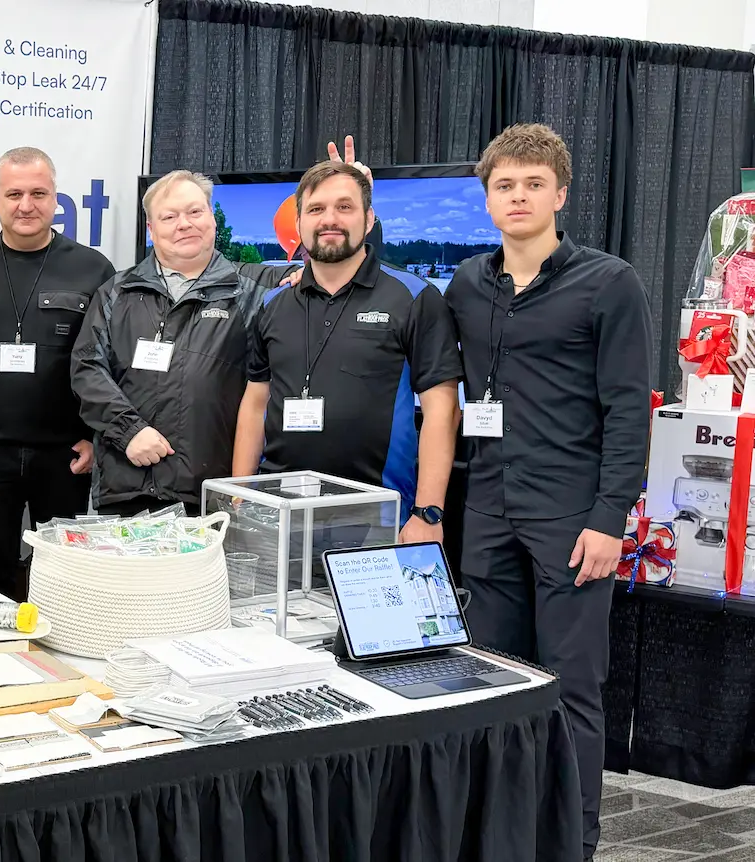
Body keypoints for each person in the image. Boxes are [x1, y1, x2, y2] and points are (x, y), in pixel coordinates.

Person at [444, 123, 652, 861]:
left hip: (572, 517)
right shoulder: (467, 283)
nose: (518, 196)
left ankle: (572, 843)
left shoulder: (609, 282)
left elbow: (629, 409)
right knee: (492, 683)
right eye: (504, 185)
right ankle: (499, 837)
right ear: (487, 199)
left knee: (570, 691)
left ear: (559, 194)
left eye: (533, 184)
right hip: (487, 513)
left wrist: (608, 518)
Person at [233, 160, 462, 539]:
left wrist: (428, 513)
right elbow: (256, 403)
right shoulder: (272, 303)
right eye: (316, 209)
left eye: (345, 207)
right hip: (277, 513)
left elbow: (443, 410)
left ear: (369, 219)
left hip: (378, 512)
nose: (330, 219)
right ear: (301, 222)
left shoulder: (414, 297)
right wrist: (239, 497)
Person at [0, 147, 115, 600]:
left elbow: (111, 363)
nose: (26, 205)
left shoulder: (94, 269)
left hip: (66, 455)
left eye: (39, 193)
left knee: (64, 582)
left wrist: (96, 437)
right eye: (14, 193)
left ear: (56, 199)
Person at [71, 170, 284, 517]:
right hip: (126, 488)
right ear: (151, 231)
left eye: (195, 212)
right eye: (169, 217)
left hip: (210, 496)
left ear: (212, 219)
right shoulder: (116, 292)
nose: (184, 224)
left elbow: (328, 268)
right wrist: (129, 432)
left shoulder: (252, 294)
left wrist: (349, 184)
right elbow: (86, 370)